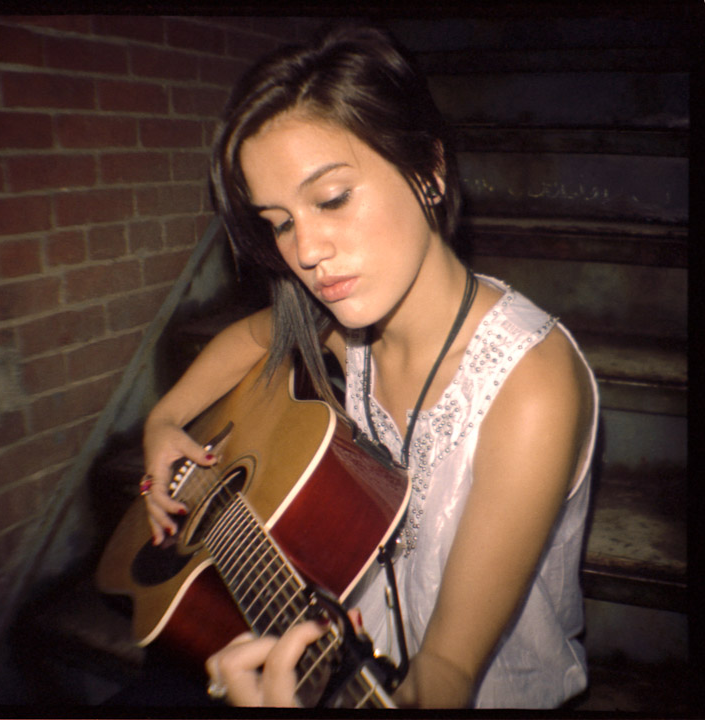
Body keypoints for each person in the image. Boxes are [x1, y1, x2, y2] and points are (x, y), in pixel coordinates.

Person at [139, 22, 598, 709]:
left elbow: (445, 674)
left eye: (331, 199)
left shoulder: (531, 386)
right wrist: (164, 418)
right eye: (279, 221)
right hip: (353, 642)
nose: (305, 251)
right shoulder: (347, 329)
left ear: (429, 171)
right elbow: (250, 338)